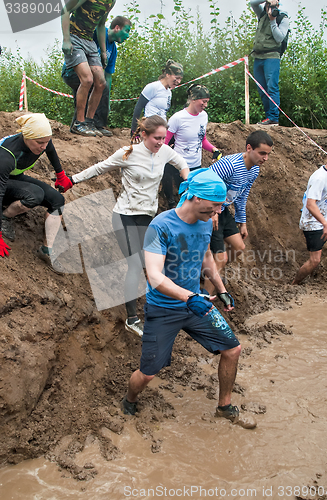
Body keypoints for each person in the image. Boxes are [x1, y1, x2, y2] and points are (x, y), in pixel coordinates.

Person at [121, 168, 256, 429]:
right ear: (195, 198)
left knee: (232, 349)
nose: (217, 213)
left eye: (220, 207)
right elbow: (154, 276)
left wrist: (221, 287)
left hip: (196, 305)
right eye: (214, 206)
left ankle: (225, 407)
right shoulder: (161, 226)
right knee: (148, 373)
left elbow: (205, 256)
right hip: (164, 308)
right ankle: (129, 399)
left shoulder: (206, 221)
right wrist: (190, 296)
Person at [70, 115, 189, 336]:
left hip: (148, 217)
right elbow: (99, 168)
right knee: (135, 265)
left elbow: (181, 164)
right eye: (156, 138)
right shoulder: (128, 153)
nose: (161, 143)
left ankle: (164, 308)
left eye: (163, 138)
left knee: (154, 264)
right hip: (124, 215)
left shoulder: (164, 151)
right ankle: (132, 319)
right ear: (144, 134)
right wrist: (72, 180)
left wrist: (188, 186)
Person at [204, 130, 273, 295]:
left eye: (268, 154)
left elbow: (242, 196)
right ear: (249, 148)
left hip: (224, 209)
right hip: (208, 209)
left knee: (239, 247)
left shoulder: (254, 169)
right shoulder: (230, 165)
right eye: (262, 153)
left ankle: (211, 274)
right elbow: (204, 184)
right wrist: (211, 212)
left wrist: (242, 222)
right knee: (221, 259)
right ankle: (204, 300)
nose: (265, 158)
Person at [0, 113, 72, 271]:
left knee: (57, 200)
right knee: (35, 195)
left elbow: (51, 152)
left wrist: (61, 175)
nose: (44, 146)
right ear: (26, 136)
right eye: (40, 143)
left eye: (47, 141)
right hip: (1, 182)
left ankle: (46, 250)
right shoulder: (6, 155)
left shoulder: (41, 140)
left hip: (14, 177)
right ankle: (4, 217)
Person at [62, 16, 132, 137]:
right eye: (127, 31)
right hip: (72, 71)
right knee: (90, 82)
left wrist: (106, 102)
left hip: (91, 76)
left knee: (102, 84)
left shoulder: (113, 50)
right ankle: (80, 124)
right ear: (117, 28)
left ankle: (95, 125)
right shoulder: (98, 32)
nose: (128, 35)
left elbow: (108, 76)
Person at [61, 0, 116, 136]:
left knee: (101, 83)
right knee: (87, 79)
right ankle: (78, 123)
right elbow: (65, 10)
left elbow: (101, 24)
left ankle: (89, 122)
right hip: (74, 37)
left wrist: (103, 51)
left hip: (89, 41)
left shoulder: (111, 1)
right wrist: (66, 39)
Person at [162, 84, 222, 209]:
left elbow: (202, 140)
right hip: (178, 165)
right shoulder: (177, 118)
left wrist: (213, 149)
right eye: (203, 101)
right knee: (182, 203)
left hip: (195, 165)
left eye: (207, 102)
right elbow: (164, 142)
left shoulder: (203, 116)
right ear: (193, 99)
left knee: (193, 202)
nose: (206, 105)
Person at [292, 149, 327, 285]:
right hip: (313, 222)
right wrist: (325, 224)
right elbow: (310, 204)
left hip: (326, 216)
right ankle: (294, 284)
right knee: (315, 260)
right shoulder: (319, 178)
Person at [250, 0, 289, 126]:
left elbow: (279, 38)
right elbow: (253, 3)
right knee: (262, 89)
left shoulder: (282, 18)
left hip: (272, 56)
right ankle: (268, 117)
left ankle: (273, 118)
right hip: (258, 56)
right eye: (269, 6)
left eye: (273, 6)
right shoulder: (261, 14)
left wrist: (273, 20)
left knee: (272, 87)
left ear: (278, 5)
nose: (271, 8)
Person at [130, 59, 184, 138]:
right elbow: (138, 108)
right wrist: (134, 131)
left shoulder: (169, 92)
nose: (179, 81)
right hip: (151, 128)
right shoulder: (153, 87)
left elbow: (163, 113)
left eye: (180, 79)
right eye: (177, 78)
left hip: (162, 129)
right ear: (168, 74)